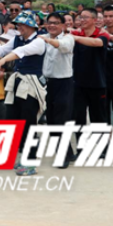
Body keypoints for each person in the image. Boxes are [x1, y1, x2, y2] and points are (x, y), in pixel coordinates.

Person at [0, 11, 47, 177]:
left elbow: (20, 52)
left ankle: (31, 161)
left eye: (21, 25)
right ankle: (22, 155)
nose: (18, 28)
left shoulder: (39, 41)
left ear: (30, 26)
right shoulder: (17, 39)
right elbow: (1, 50)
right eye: (17, 25)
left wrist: (3, 60)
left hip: (31, 85)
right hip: (18, 83)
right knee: (15, 120)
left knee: (29, 122)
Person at [38, 12, 75, 168]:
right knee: (52, 120)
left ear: (62, 25)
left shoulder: (68, 38)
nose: (52, 25)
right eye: (49, 22)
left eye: (55, 23)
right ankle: (69, 153)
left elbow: (63, 47)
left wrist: (47, 40)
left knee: (60, 121)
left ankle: (63, 156)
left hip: (64, 84)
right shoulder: (43, 38)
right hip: (49, 84)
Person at [71, 8, 110, 148]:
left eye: (86, 17)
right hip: (78, 84)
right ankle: (81, 148)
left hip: (97, 83)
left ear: (94, 20)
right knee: (78, 118)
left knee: (98, 118)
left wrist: (74, 38)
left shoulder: (102, 35)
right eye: (81, 17)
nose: (82, 20)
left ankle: (102, 148)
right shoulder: (76, 33)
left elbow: (96, 43)